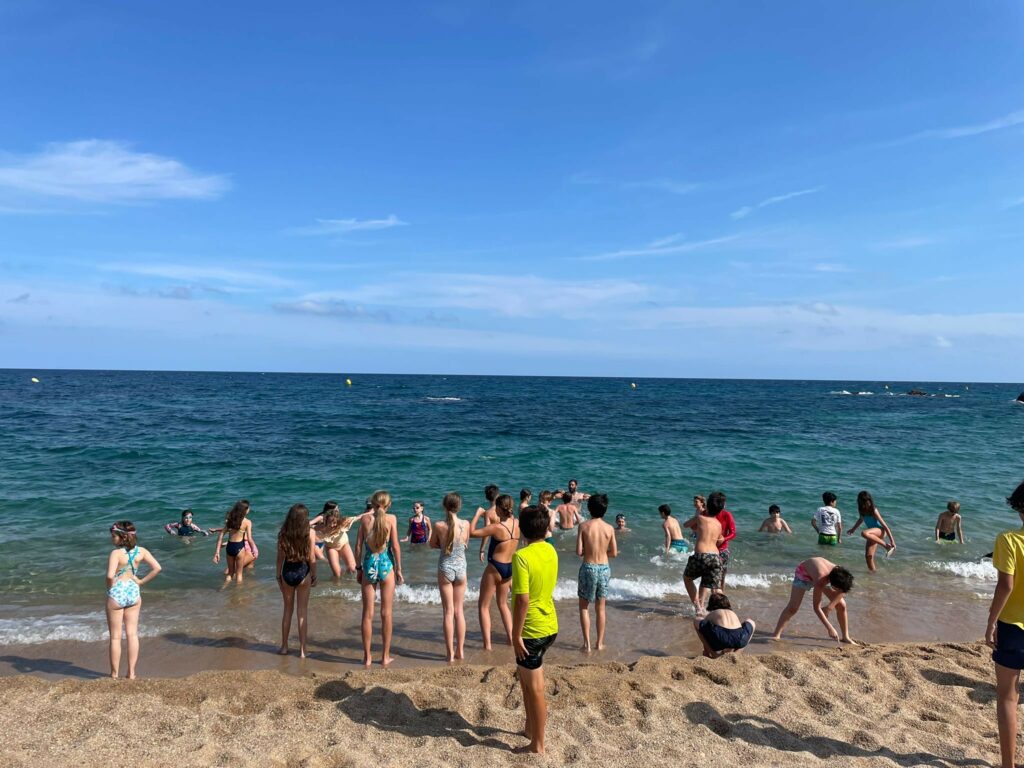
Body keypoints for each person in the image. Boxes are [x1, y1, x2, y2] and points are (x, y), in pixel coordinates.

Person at [511, 505, 559, 755]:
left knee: (535, 688)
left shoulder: (521, 556)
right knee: (526, 681)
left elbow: (522, 600)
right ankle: (530, 728)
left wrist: (515, 633)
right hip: (549, 625)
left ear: (522, 529)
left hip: (532, 630)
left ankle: (537, 744)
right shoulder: (551, 549)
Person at [985, 480, 1024, 768]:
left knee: (1008, 698)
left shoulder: (1009, 539)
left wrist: (991, 622)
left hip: (1013, 627)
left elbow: (1006, 586)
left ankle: (1008, 765)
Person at [105, 521, 162, 679]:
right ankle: (131, 673)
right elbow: (157, 568)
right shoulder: (141, 551)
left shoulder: (116, 554)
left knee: (115, 637)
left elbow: (110, 576)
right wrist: (141, 581)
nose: (112, 539)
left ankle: (114, 674)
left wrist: (110, 588)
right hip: (133, 592)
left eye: (114, 536)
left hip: (117, 593)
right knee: (132, 634)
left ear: (122, 537)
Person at [354, 490, 404, 667]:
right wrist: (399, 569)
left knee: (367, 614)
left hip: (369, 564)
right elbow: (395, 547)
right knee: (386, 613)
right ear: (388, 505)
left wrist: (358, 568)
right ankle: (385, 656)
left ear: (373, 504)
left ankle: (367, 657)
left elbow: (358, 547)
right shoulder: (392, 519)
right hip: (386, 565)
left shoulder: (365, 520)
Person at [470, 494, 520, 650]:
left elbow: (472, 533)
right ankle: (511, 639)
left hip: (495, 568)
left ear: (498, 508)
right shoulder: (517, 523)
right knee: (503, 604)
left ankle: (488, 645)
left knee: (483, 606)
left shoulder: (497, 527)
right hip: (509, 568)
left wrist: (478, 514)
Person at [770, 556, 856, 643]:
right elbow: (816, 607)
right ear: (833, 584)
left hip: (822, 575)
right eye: (838, 589)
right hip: (804, 574)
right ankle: (776, 635)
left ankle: (845, 637)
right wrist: (830, 628)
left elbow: (843, 591)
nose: (839, 592)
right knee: (793, 608)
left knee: (841, 605)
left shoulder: (840, 572)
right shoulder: (820, 580)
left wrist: (829, 608)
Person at [430, 491, 470, 663]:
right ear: (459, 507)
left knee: (448, 612)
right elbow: (466, 543)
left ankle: (450, 654)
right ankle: (460, 651)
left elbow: (432, 544)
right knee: (459, 612)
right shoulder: (466, 524)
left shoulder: (439, 525)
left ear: (444, 506)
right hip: (461, 568)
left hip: (445, 567)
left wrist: (443, 545)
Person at [576, 493, 617, 652]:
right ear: (605, 510)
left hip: (588, 567)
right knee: (600, 608)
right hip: (604, 568)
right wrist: (602, 552)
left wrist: (589, 551)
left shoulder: (583, 526)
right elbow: (614, 553)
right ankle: (599, 643)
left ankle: (586, 645)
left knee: (584, 607)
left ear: (589, 508)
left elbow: (579, 551)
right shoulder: (609, 528)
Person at [276, 503, 318, 657]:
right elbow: (311, 557)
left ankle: (284, 647)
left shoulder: (283, 533)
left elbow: (280, 558)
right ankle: (302, 650)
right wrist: (314, 575)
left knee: (287, 611)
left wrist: (278, 576)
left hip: (287, 572)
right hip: (303, 572)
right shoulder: (310, 532)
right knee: (302, 613)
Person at [682, 504, 724, 616]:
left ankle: (698, 608)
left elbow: (686, 525)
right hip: (715, 557)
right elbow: (720, 540)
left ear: (707, 508)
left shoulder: (700, 518)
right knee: (713, 587)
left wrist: (697, 522)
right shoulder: (718, 524)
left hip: (701, 555)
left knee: (687, 578)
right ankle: (721, 612)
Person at [693, 593, 755, 658]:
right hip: (740, 639)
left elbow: (704, 629)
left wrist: (706, 651)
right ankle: (737, 653)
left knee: (697, 620)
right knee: (751, 622)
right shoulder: (732, 613)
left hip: (721, 639)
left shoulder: (713, 613)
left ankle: (713, 654)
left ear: (711, 604)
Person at [847, 490, 896, 571]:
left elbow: (885, 526)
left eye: (868, 500)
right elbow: (860, 519)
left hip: (880, 531)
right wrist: (853, 529)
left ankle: (886, 546)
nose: (867, 503)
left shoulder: (873, 510)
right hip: (872, 534)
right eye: (865, 501)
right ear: (860, 502)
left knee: (864, 533)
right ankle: (873, 574)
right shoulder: (861, 510)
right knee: (868, 557)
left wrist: (892, 541)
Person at [310, 501, 357, 578]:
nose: (338, 510)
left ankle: (349, 580)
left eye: (338, 508)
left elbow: (357, 517)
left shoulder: (340, 519)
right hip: (330, 545)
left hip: (343, 544)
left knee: (352, 568)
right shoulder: (322, 518)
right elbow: (310, 525)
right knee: (337, 574)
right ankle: (338, 580)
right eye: (336, 509)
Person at [212, 499, 254, 582]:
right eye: (248, 508)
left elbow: (221, 535)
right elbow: (249, 539)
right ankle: (239, 590)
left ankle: (223, 587)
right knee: (239, 574)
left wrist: (217, 552)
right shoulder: (247, 522)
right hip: (239, 547)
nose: (249, 509)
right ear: (245, 510)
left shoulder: (230, 520)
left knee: (230, 573)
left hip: (230, 547)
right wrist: (253, 550)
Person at [710, 492, 736, 589]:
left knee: (722, 577)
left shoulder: (726, 515)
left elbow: (733, 533)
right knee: (712, 576)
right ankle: (714, 594)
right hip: (709, 550)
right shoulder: (706, 514)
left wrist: (724, 538)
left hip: (722, 549)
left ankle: (720, 593)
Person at [471, 484, 501, 564]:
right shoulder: (504, 510)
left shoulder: (488, 513)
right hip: (506, 541)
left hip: (495, 542)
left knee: (493, 565)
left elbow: (486, 533)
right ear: (498, 495)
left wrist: (482, 550)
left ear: (487, 497)